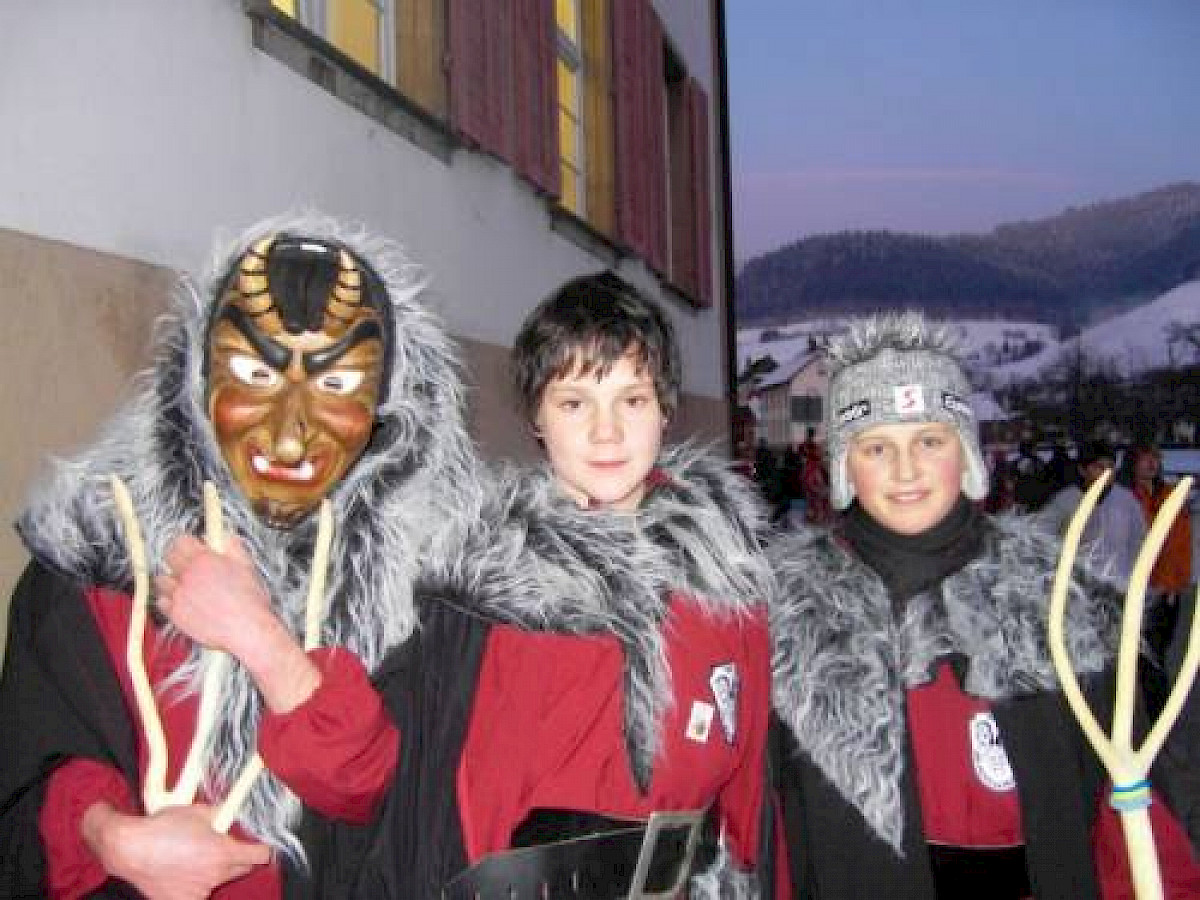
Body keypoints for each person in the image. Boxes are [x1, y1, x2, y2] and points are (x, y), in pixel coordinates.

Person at [0, 216, 492, 898]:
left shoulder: (429, 597)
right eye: (255, 373)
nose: (289, 437)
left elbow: (397, 804)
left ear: (389, 407)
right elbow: (38, 755)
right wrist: (107, 836)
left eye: (337, 385)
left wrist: (258, 638)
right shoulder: (95, 562)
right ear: (196, 384)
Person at [333, 271, 774, 898]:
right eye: (574, 403)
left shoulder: (726, 582)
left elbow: (751, 800)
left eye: (632, 400)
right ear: (538, 417)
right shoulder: (475, 604)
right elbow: (417, 804)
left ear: (665, 410)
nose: (606, 432)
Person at [768, 313, 1200, 899]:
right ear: (845, 465)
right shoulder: (790, 621)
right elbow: (770, 834)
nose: (905, 470)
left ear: (965, 454)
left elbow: (1129, 809)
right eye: (876, 447)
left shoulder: (1057, 606)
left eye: (930, 440)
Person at [1118, 439, 1194, 717]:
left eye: (1156, 458)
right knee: (1149, 654)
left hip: (1168, 589)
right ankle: (1156, 712)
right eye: (1145, 458)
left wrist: (1176, 582)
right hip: (1138, 588)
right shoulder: (1125, 498)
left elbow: (1180, 543)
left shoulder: (1171, 495)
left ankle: (1156, 710)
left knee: (1159, 650)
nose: (1152, 463)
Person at [1041, 439, 1148, 586]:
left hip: (1118, 585)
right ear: (1082, 470)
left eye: (1110, 467)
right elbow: (1042, 539)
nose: (1106, 473)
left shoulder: (1127, 501)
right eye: (1099, 467)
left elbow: (1139, 541)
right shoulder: (1064, 502)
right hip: (1077, 587)